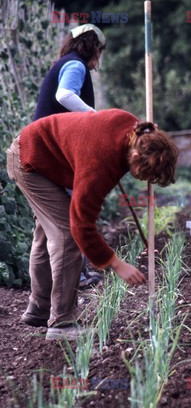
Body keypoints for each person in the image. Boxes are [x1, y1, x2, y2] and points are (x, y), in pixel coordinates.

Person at [6, 108, 178, 341]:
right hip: (30, 160)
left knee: (48, 232)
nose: (145, 181)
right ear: (136, 159)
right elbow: (81, 226)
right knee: (67, 234)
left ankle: (39, 308)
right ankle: (62, 322)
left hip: (41, 154)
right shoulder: (101, 163)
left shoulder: (135, 129)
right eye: (145, 175)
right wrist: (116, 264)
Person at [34, 23, 106, 288]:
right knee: (69, 219)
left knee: (44, 230)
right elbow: (64, 95)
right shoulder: (76, 65)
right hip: (52, 154)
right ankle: (77, 276)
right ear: (92, 47)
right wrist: (95, 117)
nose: (98, 58)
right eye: (99, 51)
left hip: (41, 153)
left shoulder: (63, 62)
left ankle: (39, 302)